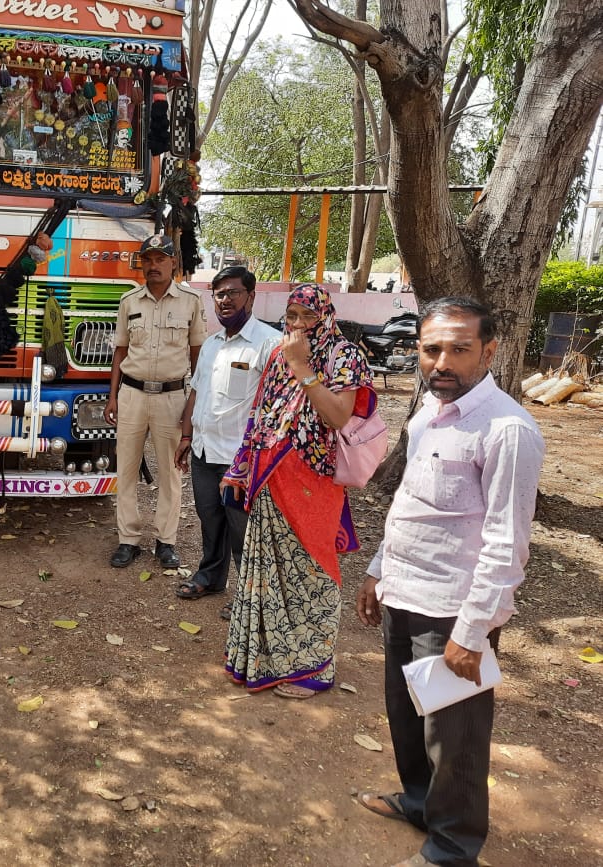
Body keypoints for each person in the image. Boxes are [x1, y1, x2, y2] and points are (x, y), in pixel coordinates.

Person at [355, 297, 545, 867]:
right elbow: (411, 505)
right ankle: (419, 803)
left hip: (453, 612)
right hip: (404, 594)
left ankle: (452, 847)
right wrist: (376, 570)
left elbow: (507, 542)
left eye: (460, 349)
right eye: (432, 348)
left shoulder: (508, 430)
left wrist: (475, 629)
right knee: (408, 716)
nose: (443, 361)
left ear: (489, 351)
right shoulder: (428, 414)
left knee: (454, 736)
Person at [221, 283, 376, 699]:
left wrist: (303, 368)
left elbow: (339, 416)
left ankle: (314, 668)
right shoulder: (277, 355)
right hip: (271, 478)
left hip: (315, 483)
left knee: (312, 572)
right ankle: (266, 659)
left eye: (307, 316)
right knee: (267, 573)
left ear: (325, 316)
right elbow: (261, 415)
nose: (299, 324)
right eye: (292, 315)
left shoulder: (344, 355)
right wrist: (239, 467)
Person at [173, 266, 278, 602]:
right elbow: (196, 391)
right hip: (205, 452)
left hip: (240, 460)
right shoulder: (211, 345)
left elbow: (275, 406)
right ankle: (210, 577)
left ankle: (249, 596)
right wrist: (186, 437)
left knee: (242, 529)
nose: (225, 300)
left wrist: (258, 457)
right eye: (219, 294)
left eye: (233, 292)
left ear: (251, 296)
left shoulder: (269, 343)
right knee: (210, 519)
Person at [104, 234, 206, 568]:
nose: (153, 265)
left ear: (174, 262)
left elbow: (198, 356)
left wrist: (192, 407)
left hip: (172, 397)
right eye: (147, 259)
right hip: (131, 394)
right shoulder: (129, 301)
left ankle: (166, 540)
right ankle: (128, 539)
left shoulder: (191, 302)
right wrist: (113, 398)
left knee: (170, 472)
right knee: (127, 470)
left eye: (160, 259)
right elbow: (120, 350)